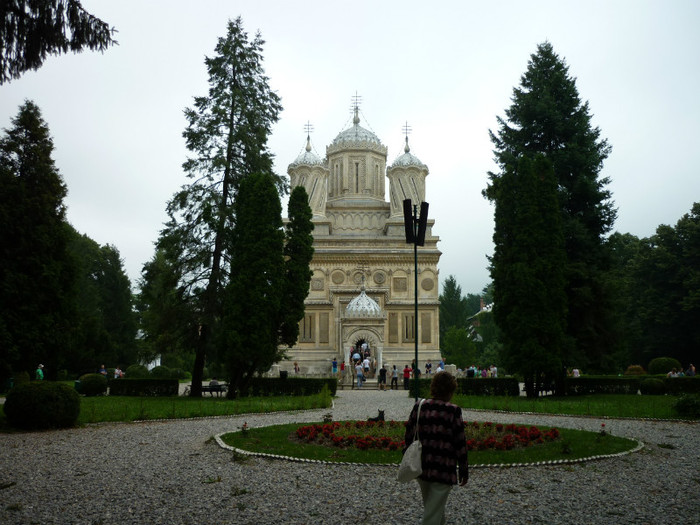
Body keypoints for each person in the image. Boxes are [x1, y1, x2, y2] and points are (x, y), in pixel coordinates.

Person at [402, 371, 468, 525]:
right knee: (432, 514)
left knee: (434, 509)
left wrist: (406, 455)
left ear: (433, 387)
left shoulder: (420, 406)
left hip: (422, 466)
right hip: (443, 468)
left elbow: (409, 434)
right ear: (451, 390)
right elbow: (460, 442)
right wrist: (463, 469)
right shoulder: (453, 411)